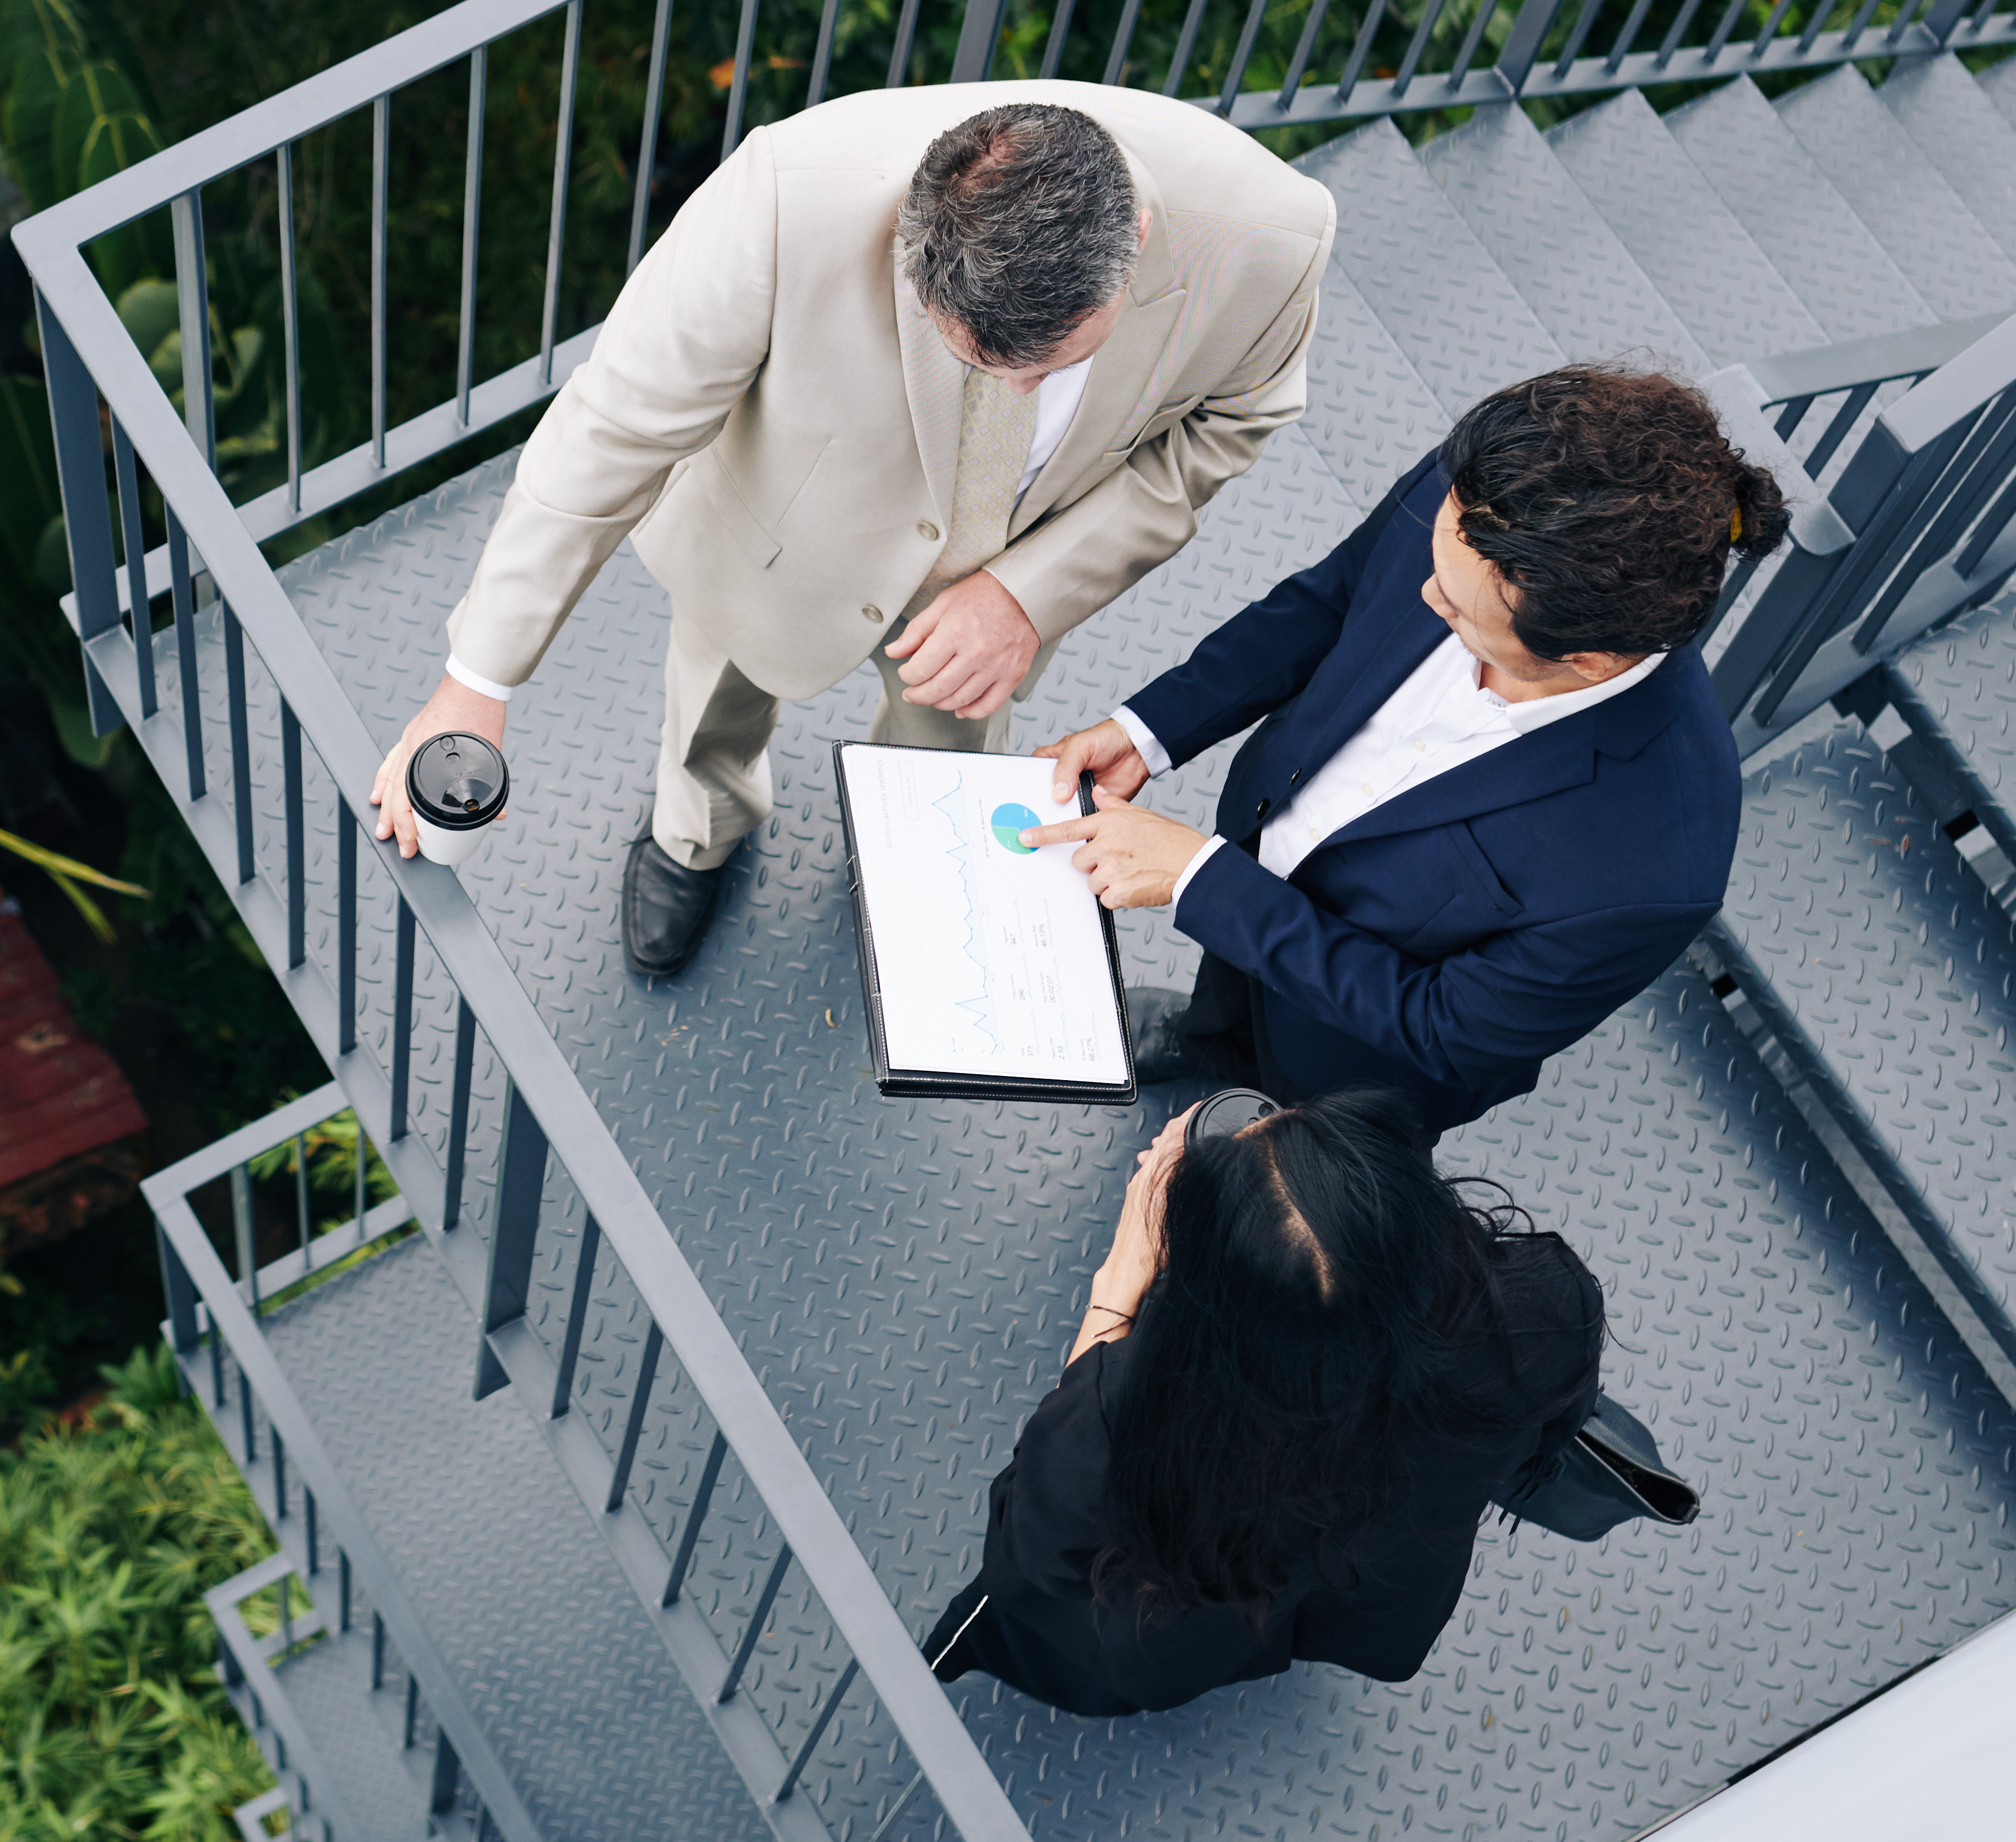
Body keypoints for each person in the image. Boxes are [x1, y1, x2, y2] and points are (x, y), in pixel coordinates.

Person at [364, 85, 1335, 980]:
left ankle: (904, 873)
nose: (1017, 392)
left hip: (1003, 583)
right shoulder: (785, 196)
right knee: (711, 708)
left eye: (1049, 366)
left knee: (944, 758)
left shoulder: (1272, 240)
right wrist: (476, 680)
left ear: (1141, 236)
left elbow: (1236, 420)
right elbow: (613, 424)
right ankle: (696, 834)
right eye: (982, 360)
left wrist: (1029, 590)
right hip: (775, 536)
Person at [1028, 365, 1791, 1132]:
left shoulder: (1659, 867)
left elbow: (1443, 1030)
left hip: (1351, 1067)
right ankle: (1211, 1043)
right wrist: (1150, 730)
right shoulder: (1489, 493)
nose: (1426, 599)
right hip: (1260, 840)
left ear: (1586, 659)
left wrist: (1200, 881)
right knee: (1226, 1003)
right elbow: (1332, 600)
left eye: (1457, 609)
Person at [922, 1088, 1603, 1718]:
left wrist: (1122, 1274)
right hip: (1365, 1579)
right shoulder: (1549, 1307)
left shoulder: (1124, 1421)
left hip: (1176, 1627)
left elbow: (1028, 1549)